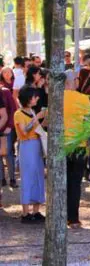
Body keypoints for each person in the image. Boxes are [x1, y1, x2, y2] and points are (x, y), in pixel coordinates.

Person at [63, 70, 90, 228]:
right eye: (77, 79)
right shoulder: (83, 99)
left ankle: (61, 215)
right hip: (79, 145)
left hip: (62, 145)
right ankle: (73, 218)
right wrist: (88, 144)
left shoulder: (56, 98)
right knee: (75, 183)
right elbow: (88, 123)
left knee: (63, 182)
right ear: (73, 81)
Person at [14, 87, 46, 223]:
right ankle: (25, 212)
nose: (37, 98)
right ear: (28, 98)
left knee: (38, 176)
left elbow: (38, 128)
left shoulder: (32, 112)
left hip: (36, 145)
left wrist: (45, 119)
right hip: (27, 146)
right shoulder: (18, 114)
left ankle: (36, 210)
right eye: (34, 96)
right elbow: (24, 132)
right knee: (27, 177)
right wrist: (37, 118)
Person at [0, 67, 17, 188]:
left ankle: (12, 178)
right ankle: (2, 179)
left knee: (8, 154)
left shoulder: (5, 92)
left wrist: (10, 126)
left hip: (7, 129)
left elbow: (13, 110)